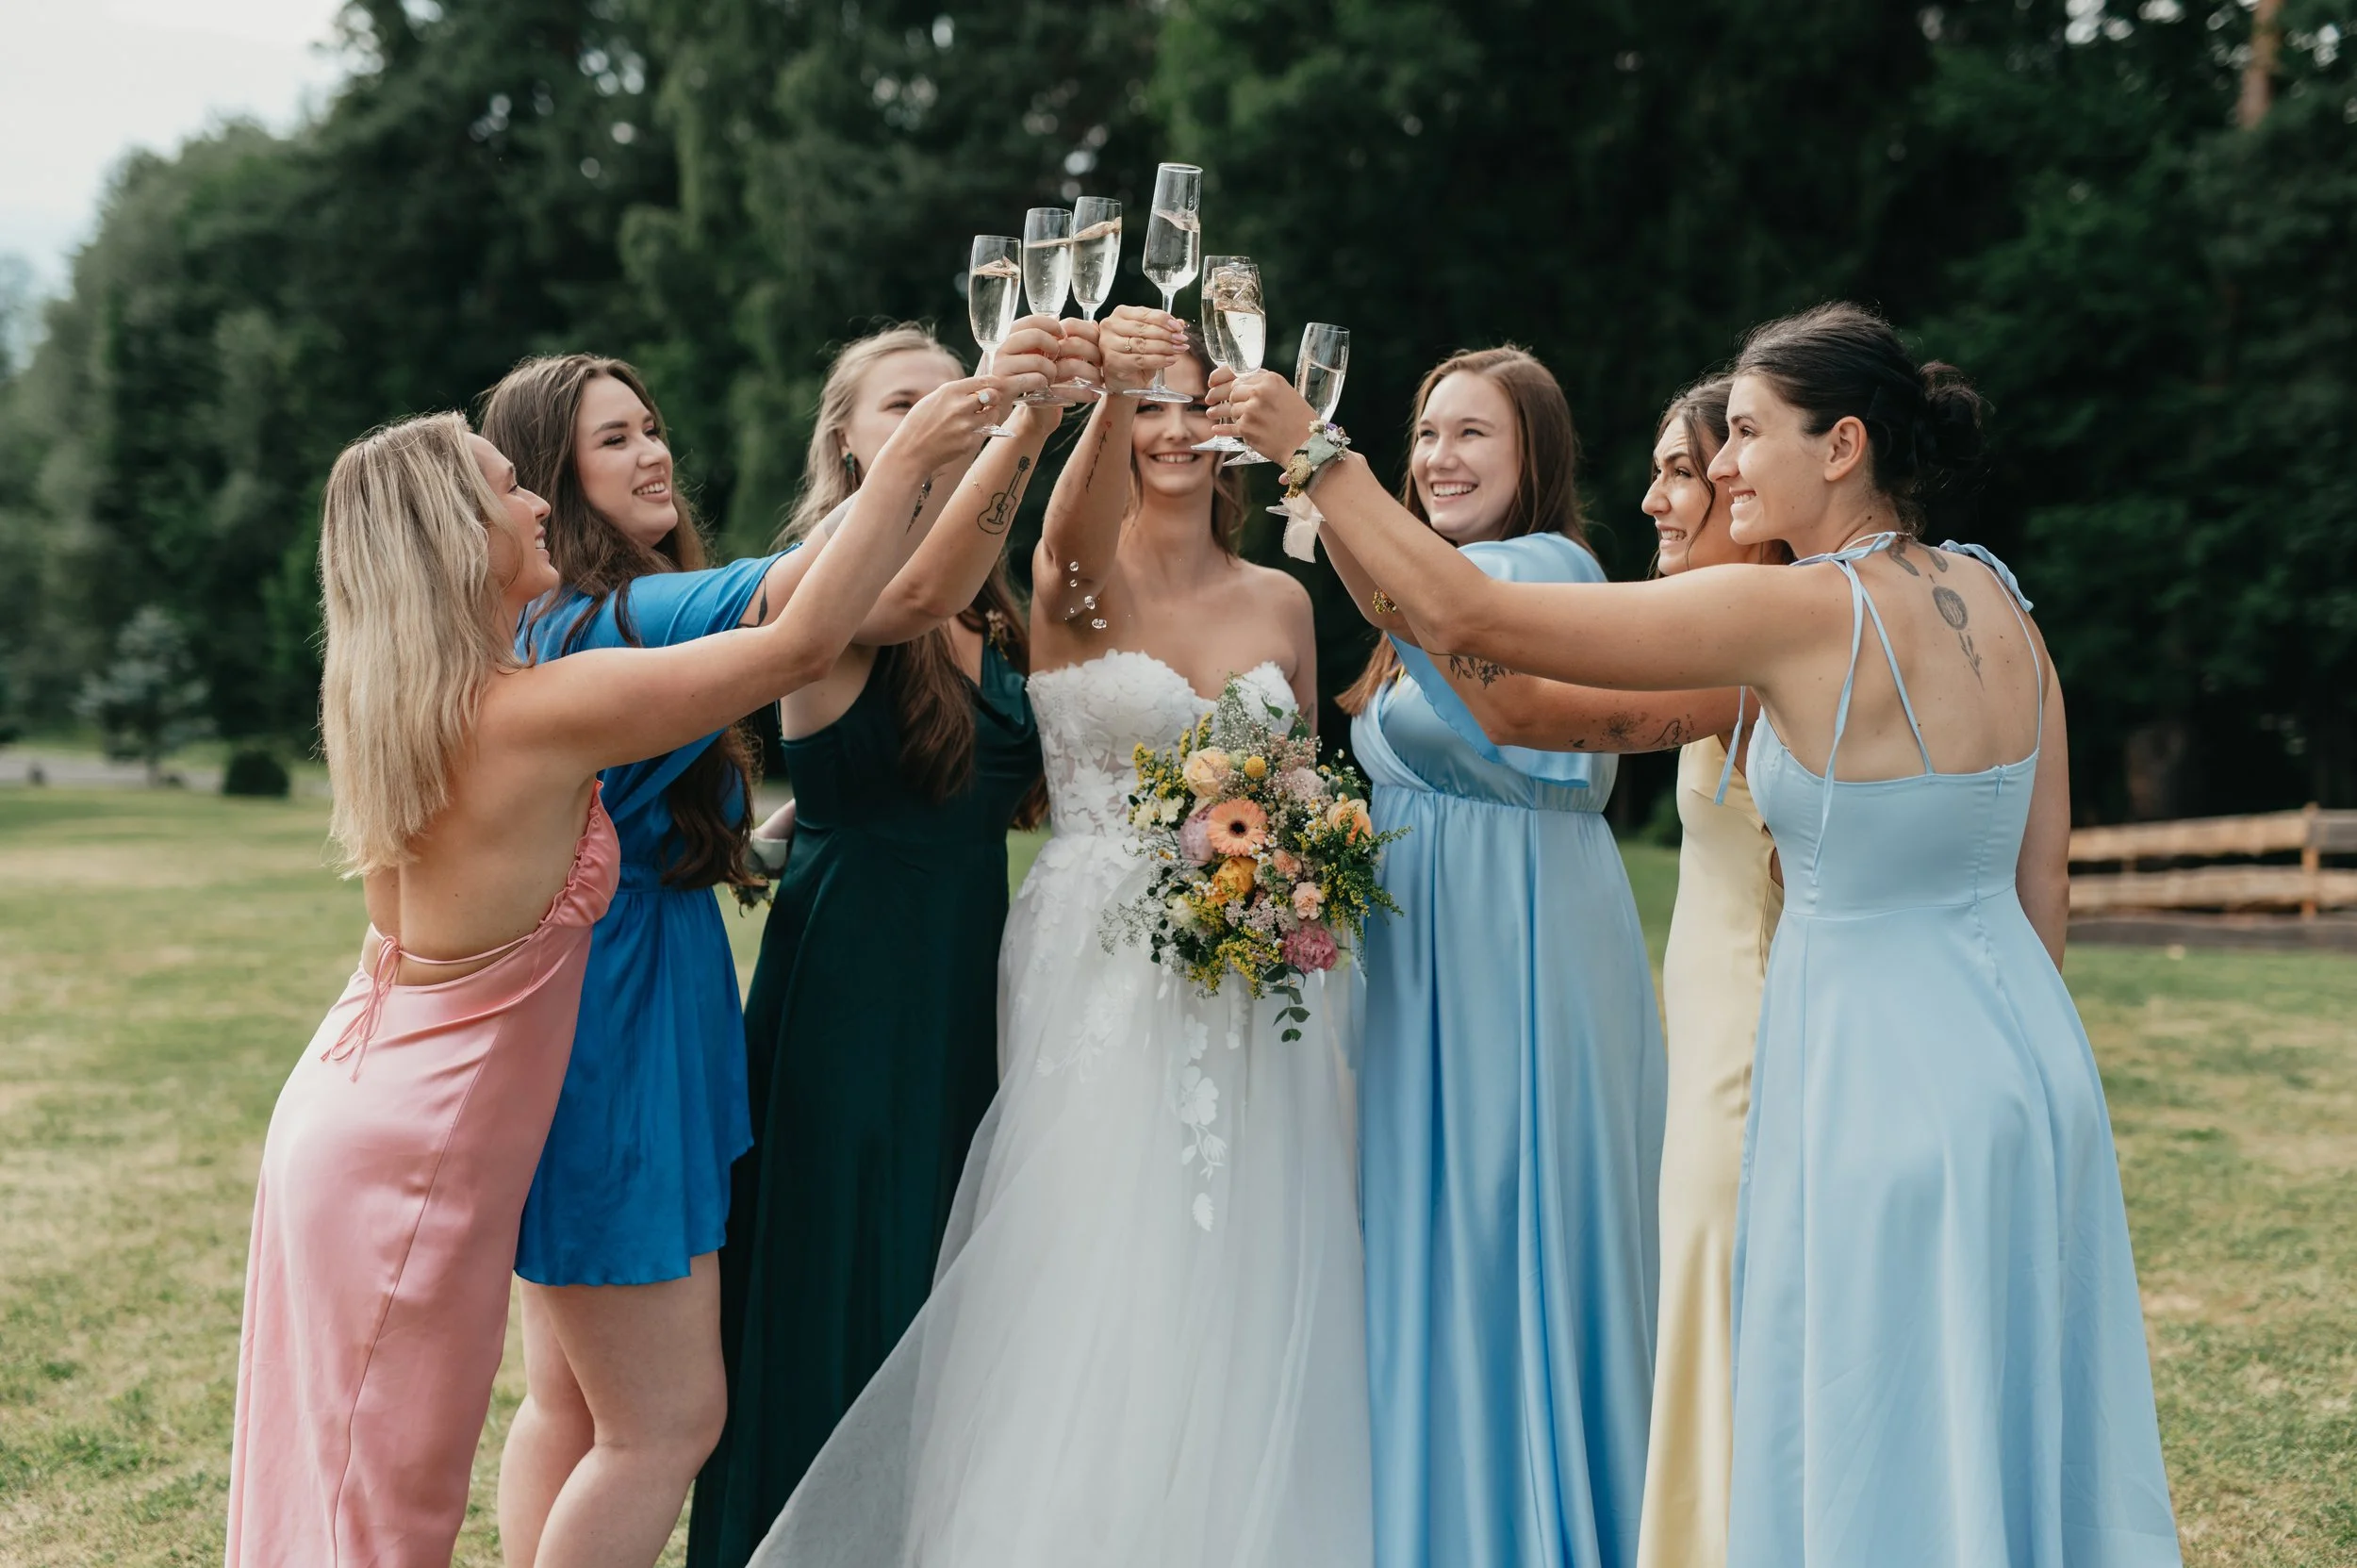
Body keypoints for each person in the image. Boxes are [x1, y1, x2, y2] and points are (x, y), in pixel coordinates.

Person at [1222, 302, 2181, 1566]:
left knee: (1878, 1419)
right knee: (2002, 1409)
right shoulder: (2000, 597)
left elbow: (1474, 617)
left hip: (1874, 1079)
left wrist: (1317, 452)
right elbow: (2037, 884)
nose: (1721, 467)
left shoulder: (1791, 612)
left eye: (1743, 435)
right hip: (2031, 1072)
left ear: (1841, 446)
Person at [224, 386, 998, 1566]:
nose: (536, 499)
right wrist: (915, 460)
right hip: (410, 1148)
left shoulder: (419, 704)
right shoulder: (536, 709)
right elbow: (796, 643)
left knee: (359, 1484)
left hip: (358, 1110)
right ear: (449, 536)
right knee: (399, 1501)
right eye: (505, 487)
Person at [747, 307, 1371, 1567]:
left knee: (1245, 1245)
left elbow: (1301, 777)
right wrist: (1093, 392)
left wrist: (1293, 880)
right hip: (1099, 957)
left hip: (1258, 978)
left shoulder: (1286, 602)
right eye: (1152, 405)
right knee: (1088, 1245)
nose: (1177, 426)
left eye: (1195, 400)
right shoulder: (1073, 583)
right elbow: (1065, 523)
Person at [480, 332, 1059, 1568]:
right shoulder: (628, 607)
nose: (654, 453)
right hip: (623, 1036)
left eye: (651, 427)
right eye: (614, 438)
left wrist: (787, 833)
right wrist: (991, 433)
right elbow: (848, 604)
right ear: (549, 473)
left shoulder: (578, 618)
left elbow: (636, 821)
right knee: (663, 1422)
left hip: (584, 1012)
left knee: (571, 1399)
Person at [684, 322, 1065, 1568]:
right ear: (845, 437)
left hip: (966, 976)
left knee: (938, 1268)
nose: (929, 412)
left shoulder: (989, 595)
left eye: (946, 391)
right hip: (854, 979)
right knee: (840, 1261)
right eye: (897, 401)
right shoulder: (834, 574)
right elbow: (910, 597)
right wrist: (1027, 425)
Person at [1307, 346, 1673, 1568]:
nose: (1438, 459)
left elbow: (1454, 625)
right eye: (1425, 432)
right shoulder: (1432, 586)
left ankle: (1544, 1520)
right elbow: (1389, 603)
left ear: (1537, 462)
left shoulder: (1544, 573)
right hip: (1422, 945)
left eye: (1474, 436)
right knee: (1429, 1226)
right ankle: (1448, 1515)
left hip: (1520, 934)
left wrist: (1314, 455)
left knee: (1511, 1217)